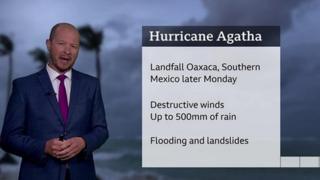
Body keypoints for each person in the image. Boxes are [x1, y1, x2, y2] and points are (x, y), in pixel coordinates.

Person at [0, 22, 108, 180]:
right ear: (49, 44)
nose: (67, 51)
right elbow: (8, 138)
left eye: (74, 46)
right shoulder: (24, 86)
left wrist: (83, 142)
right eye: (61, 44)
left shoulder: (91, 85)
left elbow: (101, 130)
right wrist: (43, 147)